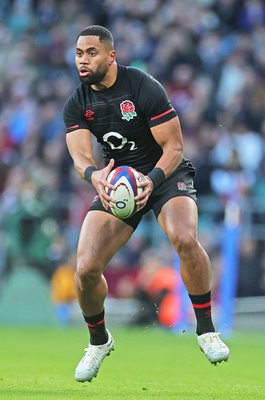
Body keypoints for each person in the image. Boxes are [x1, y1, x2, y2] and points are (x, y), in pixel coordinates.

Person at [63, 25, 229, 383]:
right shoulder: (78, 102)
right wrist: (95, 176)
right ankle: (98, 341)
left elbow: (175, 148)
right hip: (118, 181)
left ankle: (206, 330)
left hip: (164, 176)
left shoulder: (143, 87)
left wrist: (151, 180)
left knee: (185, 238)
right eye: (79, 53)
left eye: (91, 52)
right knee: (86, 268)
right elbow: (79, 156)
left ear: (111, 55)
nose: (83, 59)